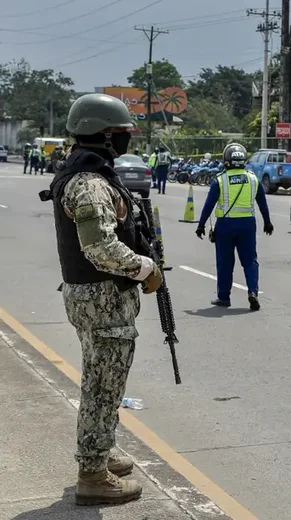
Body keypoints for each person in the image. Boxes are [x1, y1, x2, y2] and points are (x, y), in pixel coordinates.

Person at [39, 93, 162, 506]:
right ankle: (92, 473)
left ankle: (101, 449)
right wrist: (146, 269)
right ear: (106, 136)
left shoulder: (83, 174)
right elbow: (100, 249)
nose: (127, 140)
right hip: (102, 299)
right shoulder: (91, 184)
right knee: (102, 387)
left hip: (93, 298)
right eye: (123, 134)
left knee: (104, 381)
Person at [196, 143, 273, 310]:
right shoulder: (253, 179)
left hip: (225, 226)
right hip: (248, 225)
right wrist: (267, 222)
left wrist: (201, 225)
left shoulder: (220, 180)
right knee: (250, 261)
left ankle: (224, 297)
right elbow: (262, 203)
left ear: (226, 160)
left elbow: (209, 205)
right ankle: (253, 292)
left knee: (225, 263)